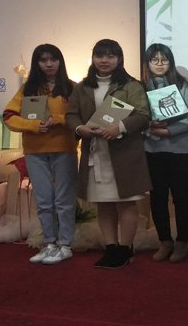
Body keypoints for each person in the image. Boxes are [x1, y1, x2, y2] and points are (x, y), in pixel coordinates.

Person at [66, 39, 152, 269]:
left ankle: (125, 249)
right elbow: (71, 115)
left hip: (124, 153)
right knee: (103, 203)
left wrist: (120, 127)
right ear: (93, 58)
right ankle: (111, 248)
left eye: (110, 56)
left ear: (119, 59)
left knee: (126, 202)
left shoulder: (131, 85)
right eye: (99, 56)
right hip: (95, 152)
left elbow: (143, 114)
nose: (104, 60)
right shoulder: (82, 87)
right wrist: (80, 129)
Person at [3, 44, 78, 265]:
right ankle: (50, 244)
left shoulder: (71, 88)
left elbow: (81, 116)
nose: (49, 64)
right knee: (44, 202)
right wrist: (34, 125)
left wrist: (60, 120)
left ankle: (66, 245)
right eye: (43, 60)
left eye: (53, 59)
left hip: (64, 149)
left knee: (64, 201)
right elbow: (8, 116)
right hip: (35, 152)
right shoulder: (28, 89)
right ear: (37, 63)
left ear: (60, 61)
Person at [141, 44, 188, 263]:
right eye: (154, 60)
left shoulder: (184, 83)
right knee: (157, 197)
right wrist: (149, 126)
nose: (159, 64)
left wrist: (168, 130)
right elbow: (135, 116)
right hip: (152, 147)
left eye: (164, 60)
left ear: (171, 61)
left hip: (181, 148)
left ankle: (182, 242)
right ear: (147, 63)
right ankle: (164, 241)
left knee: (181, 196)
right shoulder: (139, 87)